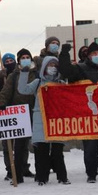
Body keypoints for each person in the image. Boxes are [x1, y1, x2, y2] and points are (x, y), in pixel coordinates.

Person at [61, 42, 98, 183]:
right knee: (91, 147)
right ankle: (91, 173)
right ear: (88, 56)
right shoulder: (81, 68)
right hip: (88, 115)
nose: (97, 56)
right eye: (94, 54)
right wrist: (64, 53)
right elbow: (66, 71)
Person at [18, 55, 71, 185]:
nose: (53, 68)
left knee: (57, 152)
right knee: (41, 152)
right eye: (50, 65)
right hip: (40, 121)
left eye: (55, 65)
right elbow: (23, 89)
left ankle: (62, 177)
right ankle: (42, 178)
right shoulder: (38, 83)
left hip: (56, 121)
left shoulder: (61, 83)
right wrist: (24, 74)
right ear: (44, 67)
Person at [0, 48, 36, 182]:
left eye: (27, 57)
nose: (25, 60)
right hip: (19, 113)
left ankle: (26, 168)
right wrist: (2, 103)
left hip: (34, 111)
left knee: (29, 145)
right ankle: (15, 172)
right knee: (19, 145)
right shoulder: (14, 76)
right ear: (19, 61)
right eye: (23, 58)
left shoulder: (36, 73)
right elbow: (6, 91)